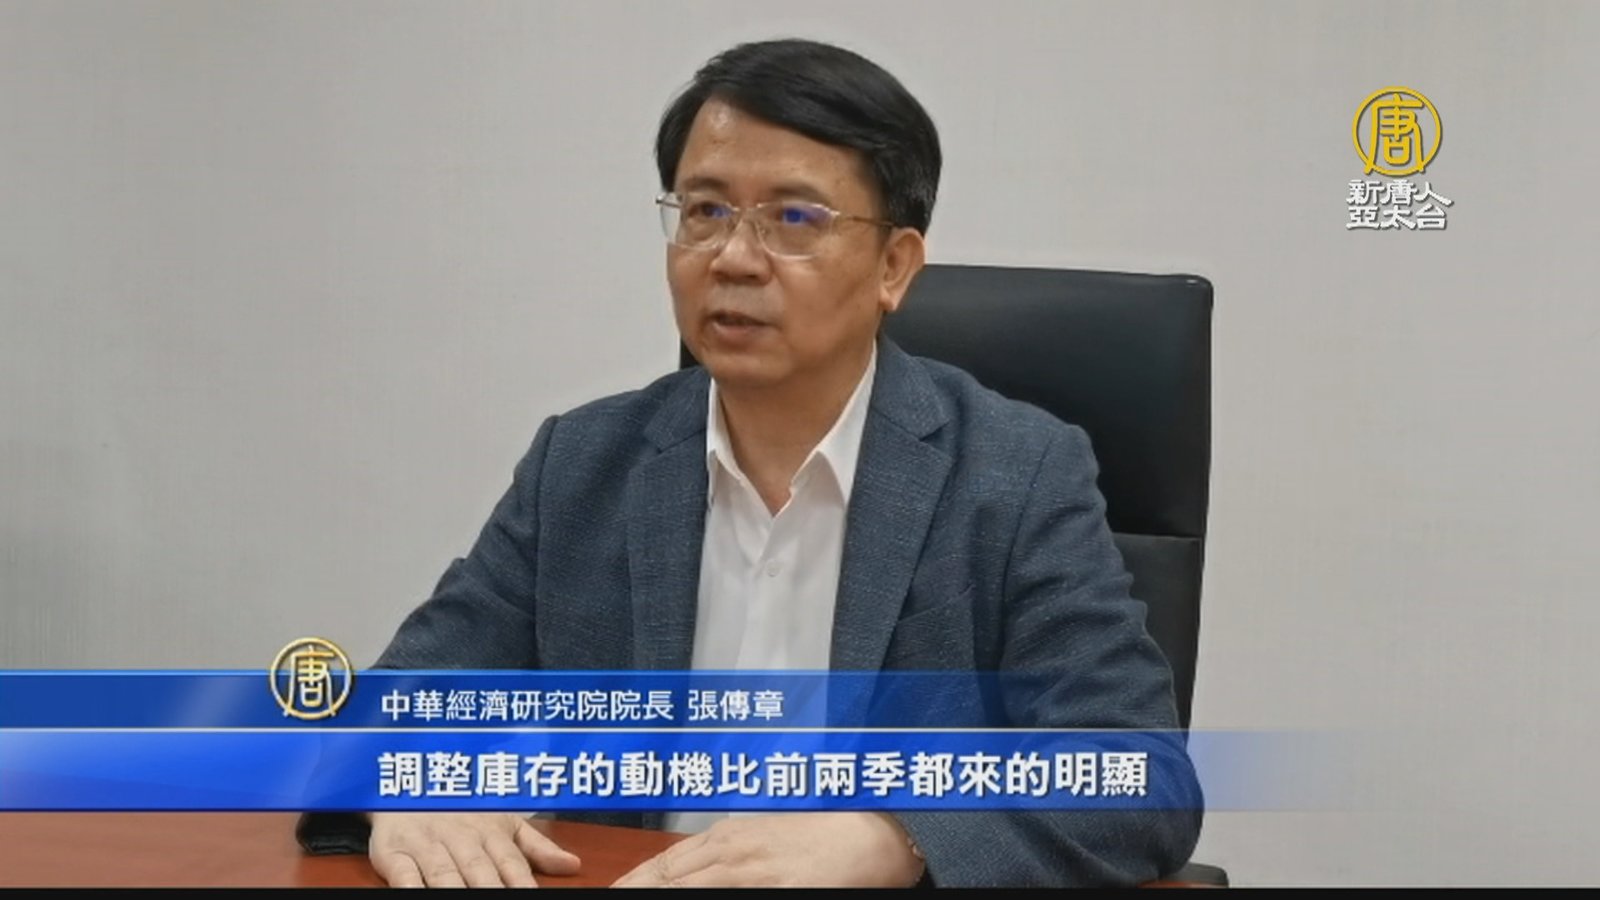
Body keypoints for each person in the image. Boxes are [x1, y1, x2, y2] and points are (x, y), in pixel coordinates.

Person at [298, 37, 1203, 887]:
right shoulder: (584, 463)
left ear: (894, 266)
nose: (733, 257)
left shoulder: (1015, 474)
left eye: (794, 218)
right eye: (705, 212)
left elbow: (1137, 774)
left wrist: (892, 837)